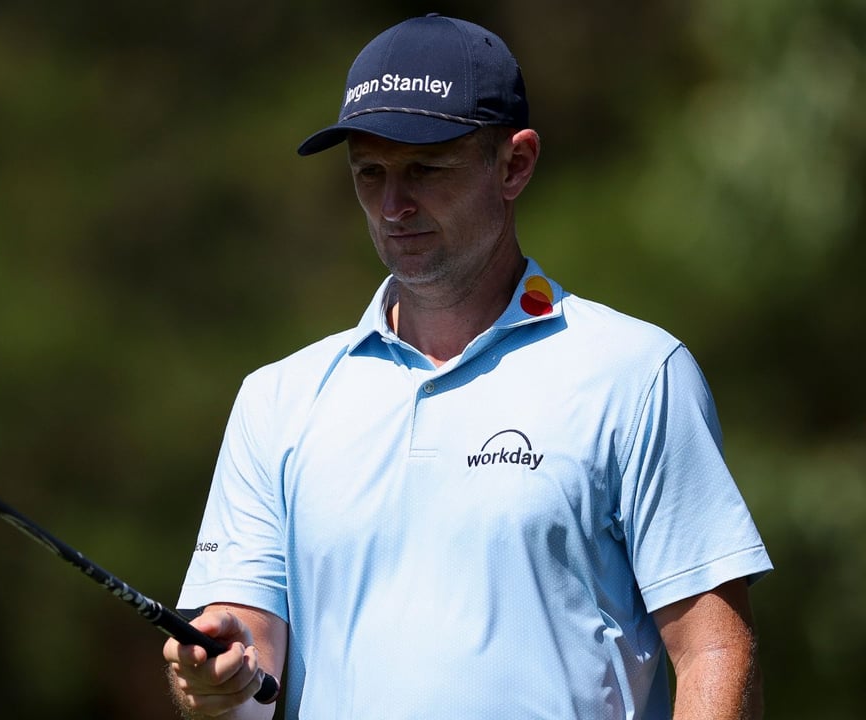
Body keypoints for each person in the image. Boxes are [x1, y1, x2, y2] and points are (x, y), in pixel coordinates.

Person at [162, 13, 772, 720]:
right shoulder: (277, 399)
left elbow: (715, 652)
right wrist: (217, 684)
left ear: (514, 164)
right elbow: (249, 670)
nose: (394, 205)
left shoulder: (635, 374)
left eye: (425, 169)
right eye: (370, 173)